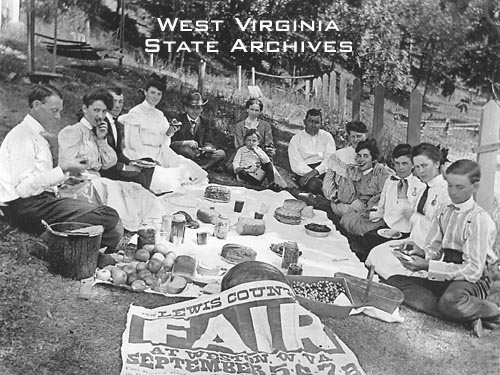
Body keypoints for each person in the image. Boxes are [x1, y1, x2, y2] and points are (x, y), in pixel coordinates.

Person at [0, 85, 123, 251]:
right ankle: (46, 243)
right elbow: (23, 189)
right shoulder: (22, 136)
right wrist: (63, 168)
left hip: (42, 201)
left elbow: (43, 179)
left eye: (59, 111)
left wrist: (67, 173)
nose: (58, 117)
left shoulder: (36, 135)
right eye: (54, 110)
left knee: (114, 230)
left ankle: (69, 244)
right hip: (24, 207)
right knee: (107, 215)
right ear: (36, 105)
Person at [385, 160, 500, 336]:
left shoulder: (479, 220)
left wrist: (427, 266)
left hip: (472, 280)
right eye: (450, 186)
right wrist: (421, 252)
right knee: (394, 282)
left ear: (475, 186)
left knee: (450, 301)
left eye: (459, 187)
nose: (453, 192)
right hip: (446, 274)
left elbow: (472, 271)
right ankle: (469, 313)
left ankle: (492, 312)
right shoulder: (444, 210)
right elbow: (436, 248)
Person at [58, 89, 164, 232]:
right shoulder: (72, 131)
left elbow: (109, 162)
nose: (100, 116)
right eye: (96, 110)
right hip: (78, 186)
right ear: (85, 109)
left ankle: (146, 223)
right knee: (119, 193)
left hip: (96, 183)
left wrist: (102, 140)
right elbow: (66, 166)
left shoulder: (96, 133)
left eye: (103, 111)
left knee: (137, 190)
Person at [365, 143, 451, 280]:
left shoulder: (445, 193)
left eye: (424, 166)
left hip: (429, 251)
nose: (421, 171)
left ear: (436, 163)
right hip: (413, 242)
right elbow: (413, 218)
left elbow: (442, 233)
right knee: (376, 253)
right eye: (417, 167)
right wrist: (404, 199)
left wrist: (424, 253)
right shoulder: (425, 188)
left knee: (394, 266)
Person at [119, 80, 208, 193]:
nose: (155, 97)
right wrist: (149, 161)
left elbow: (164, 143)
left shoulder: (160, 115)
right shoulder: (135, 113)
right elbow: (132, 144)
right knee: (166, 178)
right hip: (142, 155)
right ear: (145, 92)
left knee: (189, 168)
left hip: (161, 153)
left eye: (159, 94)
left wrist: (169, 133)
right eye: (152, 92)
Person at [357, 144, 426, 259]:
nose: (400, 168)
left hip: (405, 232)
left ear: (413, 165)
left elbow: (413, 217)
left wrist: (403, 197)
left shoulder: (420, 187)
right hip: (386, 227)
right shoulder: (390, 181)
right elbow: (382, 205)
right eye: (397, 164)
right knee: (366, 238)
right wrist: (374, 214)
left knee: (380, 250)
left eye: (405, 163)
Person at [99, 87, 155, 190]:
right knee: (139, 177)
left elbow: (118, 152)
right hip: (107, 171)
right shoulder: (101, 124)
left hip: (116, 165)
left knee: (149, 165)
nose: (117, 106)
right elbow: (102, 159)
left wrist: (132, 162)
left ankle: (145, 197)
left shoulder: (117, 124)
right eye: (114, 101)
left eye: (120, 102)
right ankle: (139, 200)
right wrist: (124, 167)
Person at [331, 139, 389, 219]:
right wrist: (348, 177)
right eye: (359, 156)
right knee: (335, 206)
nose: (361, 159)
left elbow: (384, 198)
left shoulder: (380, 172)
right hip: (353, 205)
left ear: (373, 159)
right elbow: (345, 196)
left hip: (371, 210)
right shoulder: (355, 171)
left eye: (366, 156)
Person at [170, 92, 226, 171]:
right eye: (192, 108)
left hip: (200, 153)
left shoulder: (205, 121)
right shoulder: (178, 120)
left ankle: (202, 166)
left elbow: (209, 139)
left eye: (198, 108)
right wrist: (186, 142)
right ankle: (206, 165)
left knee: (221, 153)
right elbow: (172, 143)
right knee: (185, 150)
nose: (195, 111)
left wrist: (207, 147)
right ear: (186, 108)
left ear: (202, 109)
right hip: (185, 152)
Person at [288, 108, 336, 194]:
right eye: (310, 121)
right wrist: (309, 174)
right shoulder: (296, 139)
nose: (313, 125)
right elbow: (296, 163)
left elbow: (330, 159)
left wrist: (316, 172)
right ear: (304, 122)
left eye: (316, 122)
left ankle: (329, 190)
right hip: (304, 171)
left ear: (321, 124)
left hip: (323, 169)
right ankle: (329, 192)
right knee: (314, 184)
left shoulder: (327, 137)